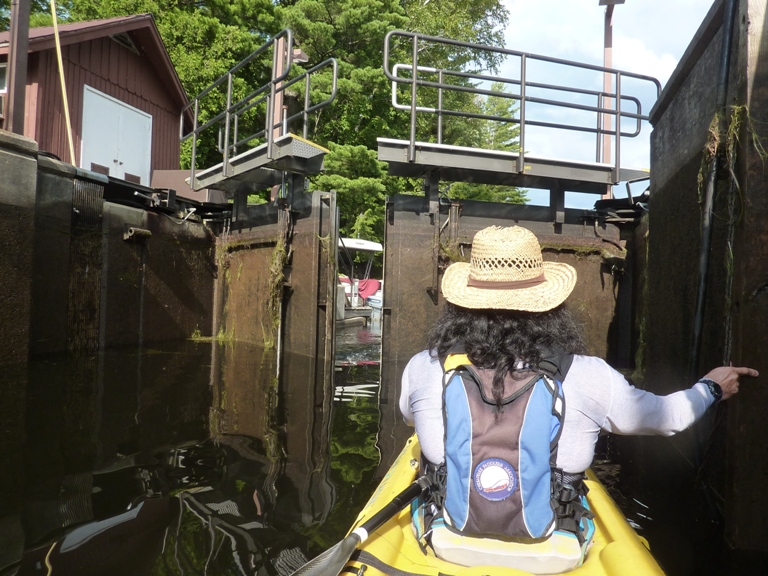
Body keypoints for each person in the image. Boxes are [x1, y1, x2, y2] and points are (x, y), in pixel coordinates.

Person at [399, 225, 758, 570]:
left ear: (461, 307)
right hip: (553, 548)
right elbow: (670, 420)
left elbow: (408, 418)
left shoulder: (424, 367)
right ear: (550, 306)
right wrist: (711, 387)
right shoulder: (589, 375)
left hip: (448, 541)